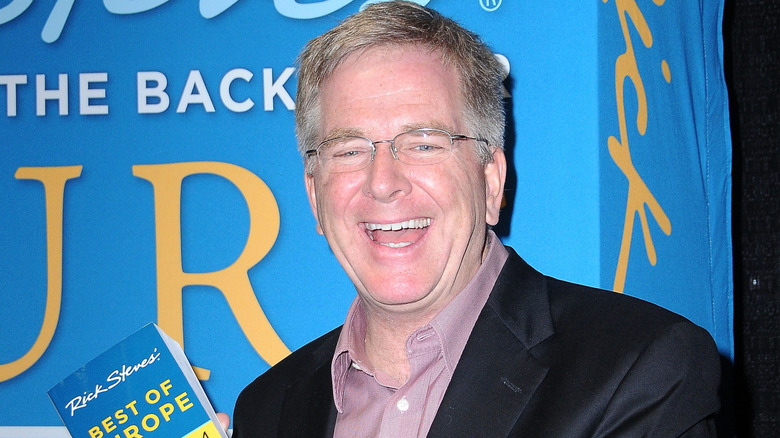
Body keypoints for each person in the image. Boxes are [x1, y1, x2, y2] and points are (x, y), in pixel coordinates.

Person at [231, 2, 721, 437]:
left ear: (491, 181)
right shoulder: (266, 409)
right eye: (349, 150)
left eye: (424, 144)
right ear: (314, 195)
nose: (382, 182)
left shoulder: (639, 371)